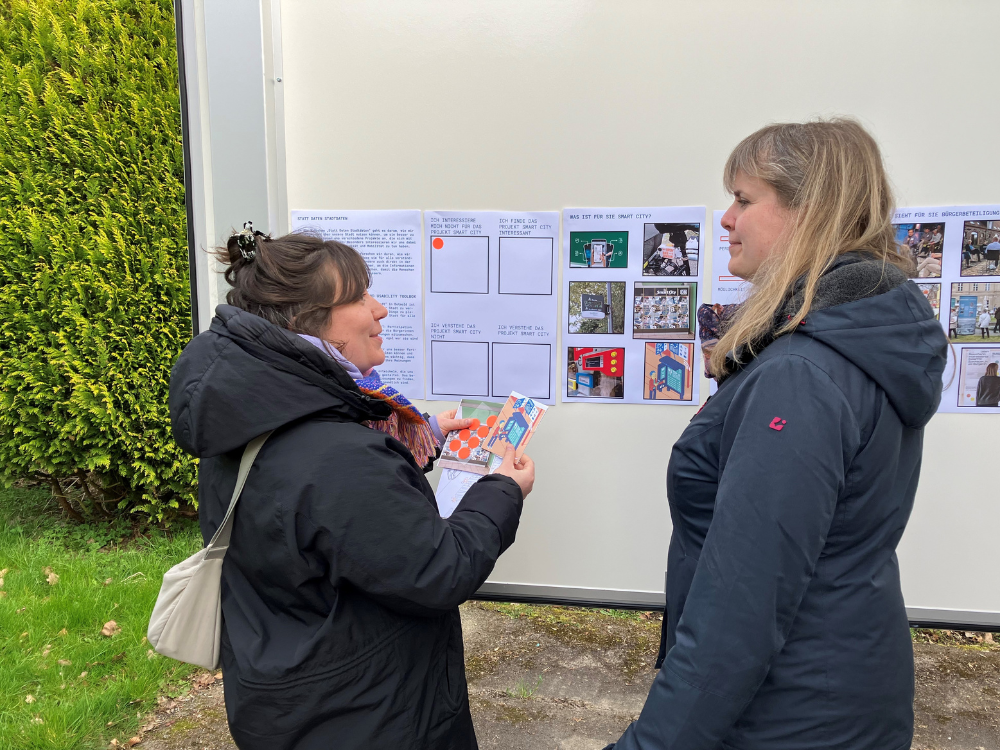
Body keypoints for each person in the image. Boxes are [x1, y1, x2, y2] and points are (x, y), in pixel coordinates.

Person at [608, 119, 946, 750]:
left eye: (743, 198)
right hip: (842, 687)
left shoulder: (800, 374)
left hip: (791, 713)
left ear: (807, 211)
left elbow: (741, 606)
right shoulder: (849, 342)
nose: (725, 219)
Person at [169, 229, 535, 750]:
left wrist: (421, 439)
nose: (380, 309)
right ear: (307, 320)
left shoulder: (246, 420)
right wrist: (503, 488)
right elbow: (440, 569)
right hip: (370, 715)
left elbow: (325, 519)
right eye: (361, 296)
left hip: (285, 698)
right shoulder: (338, 456)